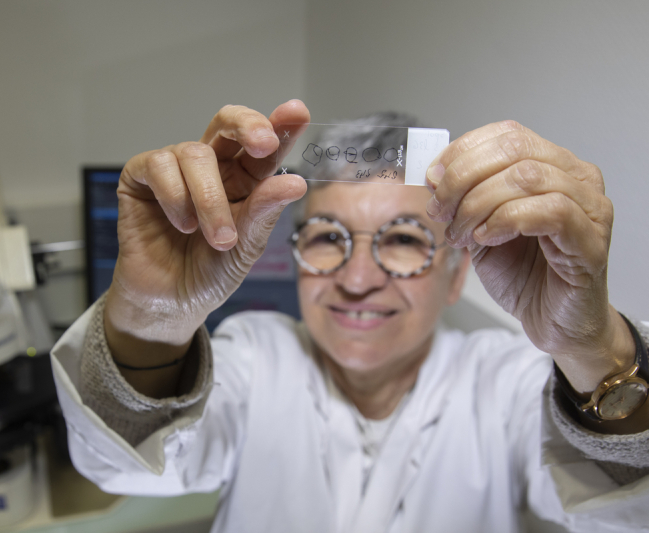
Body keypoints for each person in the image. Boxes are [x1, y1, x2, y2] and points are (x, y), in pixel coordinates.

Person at [51, 100, 649, 532]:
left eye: (405, 241)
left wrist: (592, 347)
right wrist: (155, 315)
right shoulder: (256, 359)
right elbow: (122, 466)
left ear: (455, 275)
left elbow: (629, 514)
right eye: (327, 237)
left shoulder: (505, 384)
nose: (357, 280)